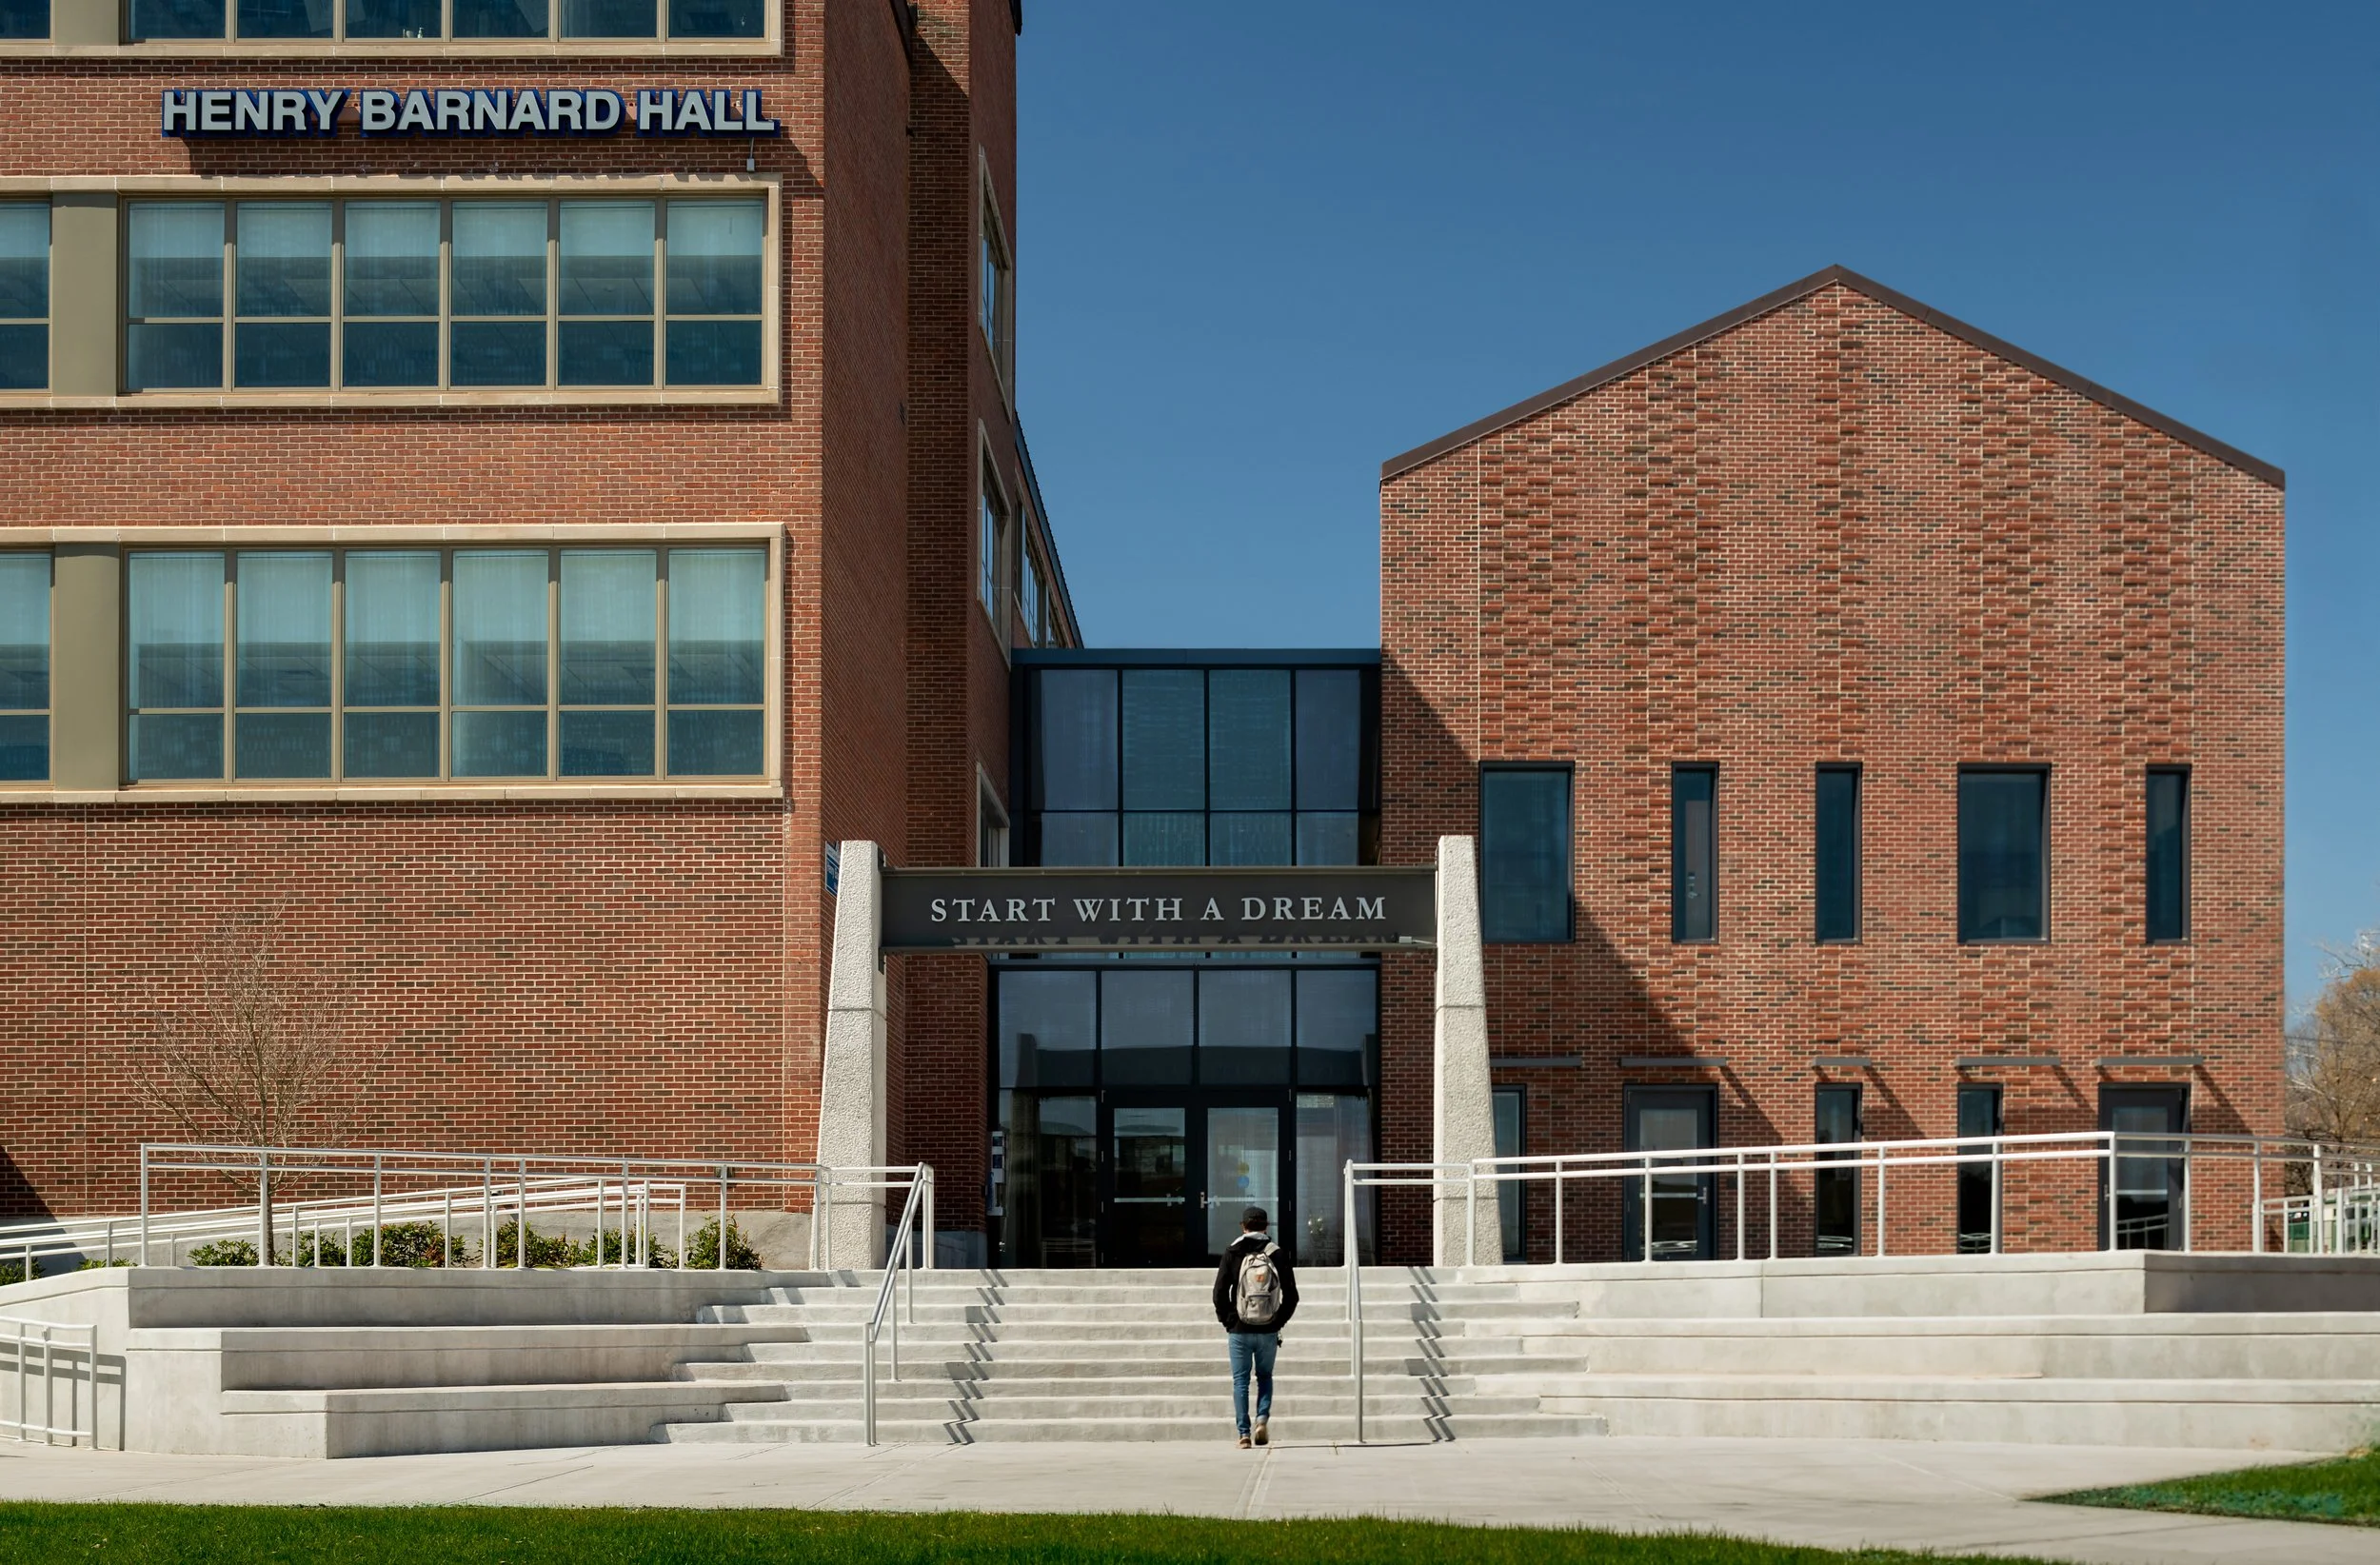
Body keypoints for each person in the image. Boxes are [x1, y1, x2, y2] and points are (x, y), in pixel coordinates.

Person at [1212, 1204, 1299, 1448]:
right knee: (1265, 1376)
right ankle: (1261, 1418)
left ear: (1243, 1226)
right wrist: (1277, 1321)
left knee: (1240, 1380)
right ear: (1266, 1226)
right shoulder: (1277, 1253)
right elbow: (1292, 1296)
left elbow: (1219, 1293)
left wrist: (1229, 1322)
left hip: (1239, 1329)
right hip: (1268, 1328)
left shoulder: (1232, 1252)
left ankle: (1244, 1434)